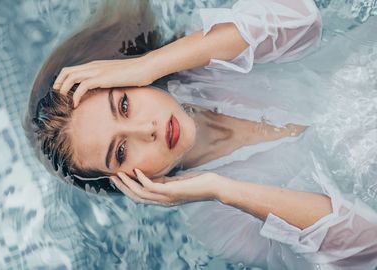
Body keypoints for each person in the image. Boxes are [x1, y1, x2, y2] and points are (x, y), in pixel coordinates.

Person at [24, 0, 377, 269]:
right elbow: (367, 244)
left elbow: (303, 20)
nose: (146, 130)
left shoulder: (202, 59)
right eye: (120, 152)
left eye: (125, 105)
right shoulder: (218, 222)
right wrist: (223, 190)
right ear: (126, 181)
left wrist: (151, 62)